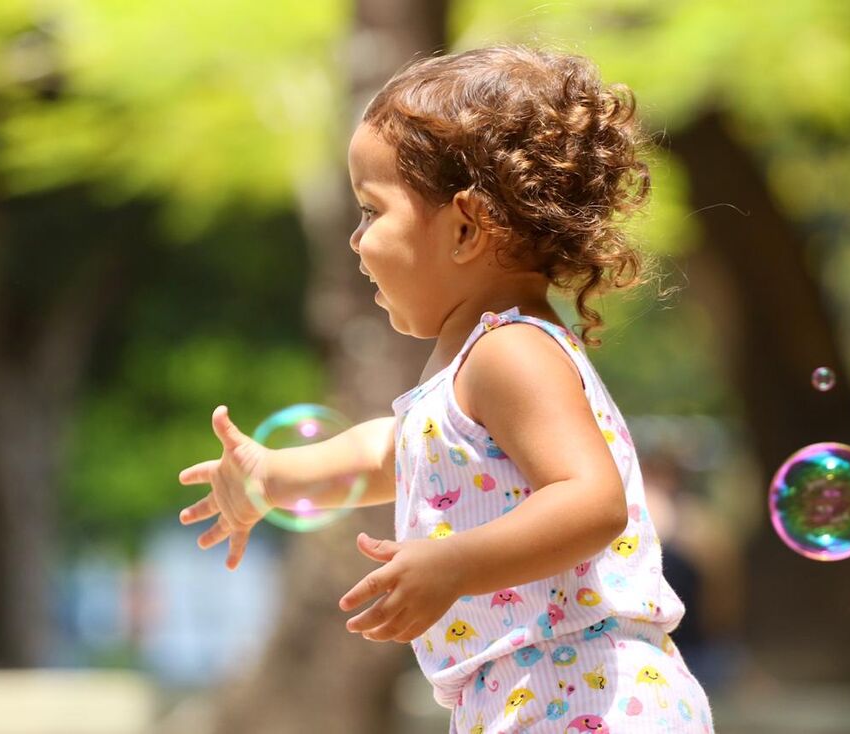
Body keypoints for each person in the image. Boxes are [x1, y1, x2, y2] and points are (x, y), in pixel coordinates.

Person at [177, 44, 714, 734]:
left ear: (464, 227)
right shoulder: (473, 368)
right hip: (533, 696)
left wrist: (456, 563)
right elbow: (390, 453)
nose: (356, 240)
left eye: (372, 211)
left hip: (587, 696)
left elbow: (592, 500)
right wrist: (273, 478)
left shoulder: (511, 352)